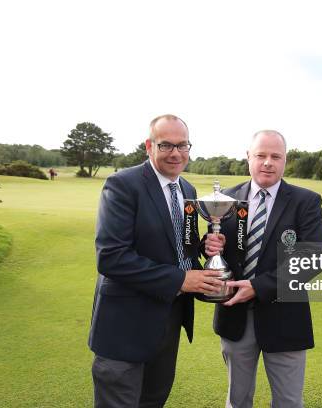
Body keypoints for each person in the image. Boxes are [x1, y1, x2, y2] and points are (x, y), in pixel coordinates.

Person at [88, 114, 223, 408]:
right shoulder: (123, 185)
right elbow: (111, 257)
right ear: (149, 146)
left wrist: (205, 247)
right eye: (166, 145)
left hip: (168, 323)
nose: (176, 153)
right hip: (125, 326)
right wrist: (180, 280)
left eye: (182, 145)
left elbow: (179, 247)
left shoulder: (186, 190)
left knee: (153, 401)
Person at [204, 130, 322, 408]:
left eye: (275, 156)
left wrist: (257, 287)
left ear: (285, 161)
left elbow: (311, 259)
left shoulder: (306, 201)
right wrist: (209, 245)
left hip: (285, 318)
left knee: (288, 402)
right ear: (248, 157)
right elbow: (214, 247)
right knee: (237, 401)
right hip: (235, 318)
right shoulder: (227, 199)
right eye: (261, 155)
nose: (267, 162)